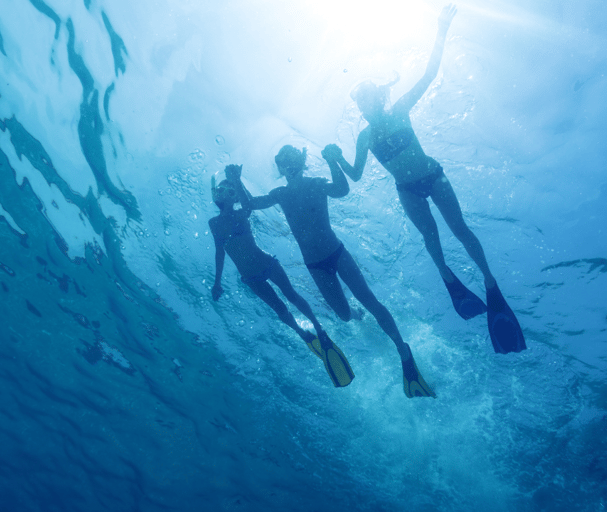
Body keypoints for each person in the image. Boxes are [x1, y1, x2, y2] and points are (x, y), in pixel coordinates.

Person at [321, 4, 526, 354]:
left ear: (379, 96)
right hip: (408, 190)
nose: (362, 105)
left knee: (459, 229)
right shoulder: (364, 137)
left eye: (366, 97)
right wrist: (336, 159)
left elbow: (430, 73)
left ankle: (490, 282)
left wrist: (441, 29)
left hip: (433, 175)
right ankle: (448, 278)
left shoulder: (400, 109)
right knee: (432, 239)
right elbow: (354, 177)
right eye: (358, 101)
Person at [248, 146, 435, 398]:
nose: (289, 164)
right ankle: (356, 315)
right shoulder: (280, 193)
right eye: (283, 161)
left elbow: (342, 190)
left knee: (368, 299)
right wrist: (237, 181)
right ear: (280, 167)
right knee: (344, 315)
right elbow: (251, 204)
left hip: (336, 253)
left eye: (292, 159)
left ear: (301, 161)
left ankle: (403, 351)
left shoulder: (317, 182)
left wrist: (332, 161)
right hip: (315, 265)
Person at [209, 164, 354, 387]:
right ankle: (302, 334)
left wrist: (236, 179)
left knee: (291, 295)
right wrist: (217, 282)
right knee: (279, 309)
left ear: (235, 196)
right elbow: (220, 253)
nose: (227, 193)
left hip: (267, 262)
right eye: (223, 189)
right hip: (249, 277)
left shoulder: (242, 213)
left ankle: (318, 328)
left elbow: (250, 206)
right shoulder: (214, 224)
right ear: (216, 194)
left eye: (231, 191)